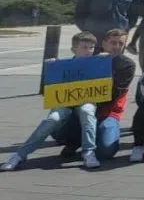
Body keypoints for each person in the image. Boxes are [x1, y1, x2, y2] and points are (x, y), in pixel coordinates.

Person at [4, 32, 109, 171]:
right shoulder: (63, 65)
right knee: (52, 119)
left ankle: (88, 151)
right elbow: (53, 84)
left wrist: (105, 57)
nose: (88, 51)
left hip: (86, 100)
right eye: (84, 47)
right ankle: (20, 154)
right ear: (74, 49)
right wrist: (53, 66)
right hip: (65, 101)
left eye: (91, 48)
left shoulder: (97, 62)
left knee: (87, 112)